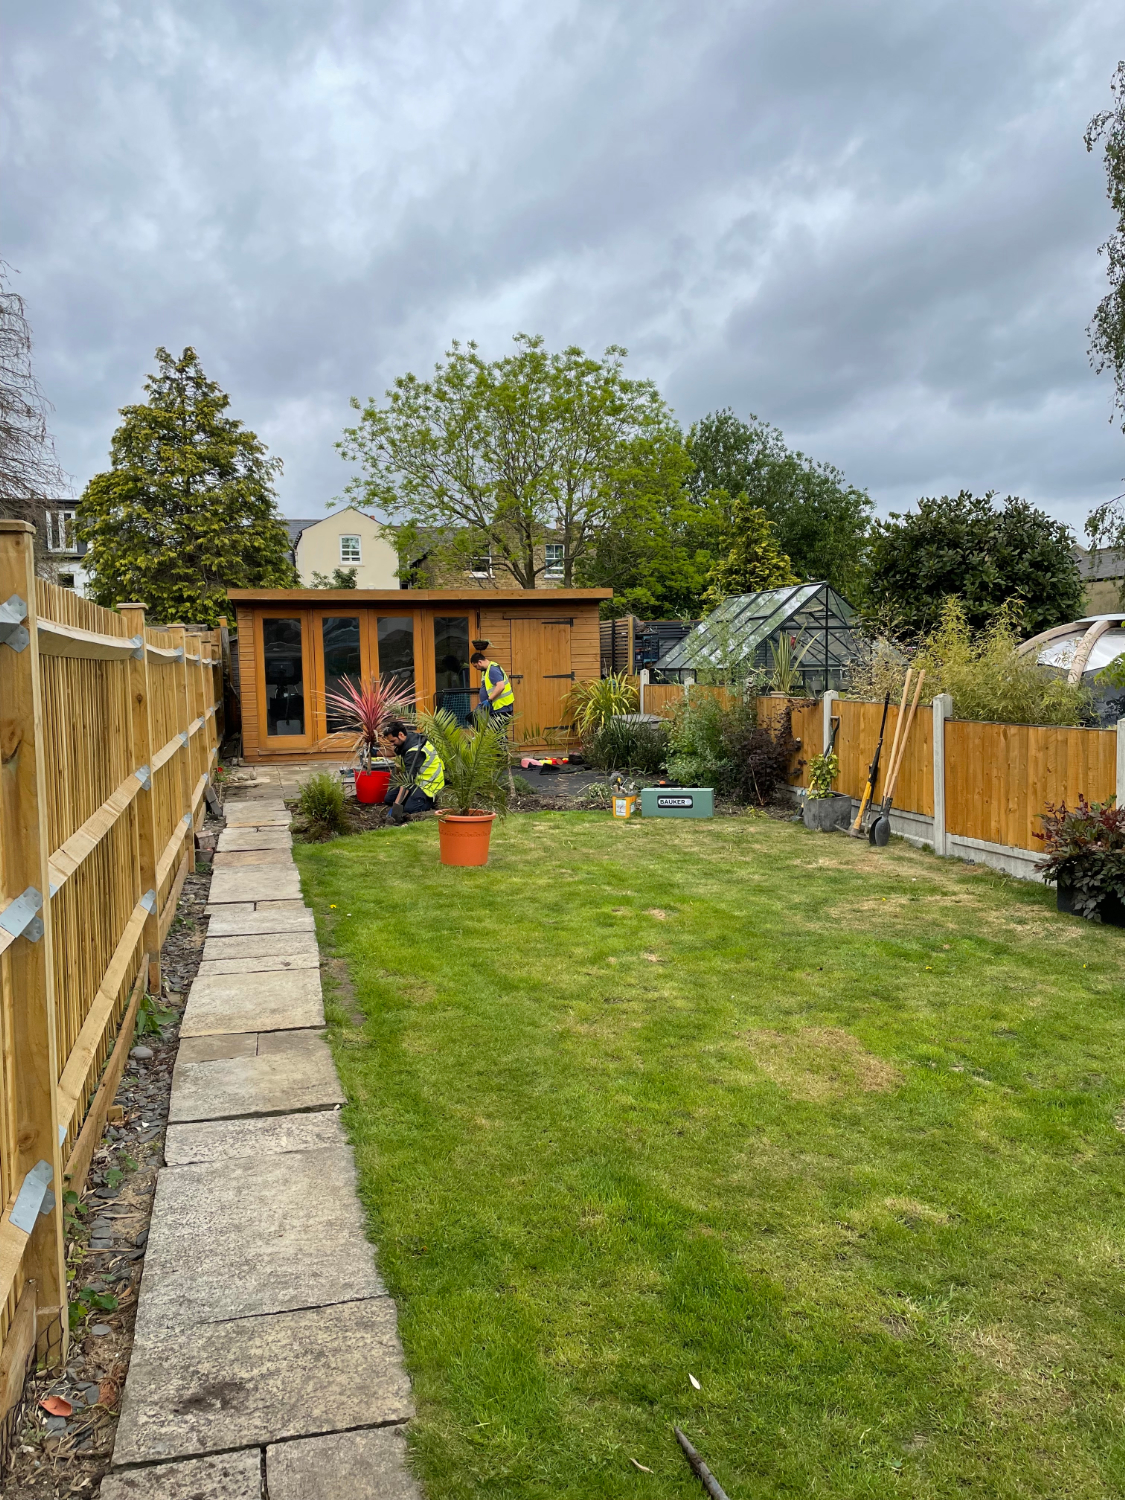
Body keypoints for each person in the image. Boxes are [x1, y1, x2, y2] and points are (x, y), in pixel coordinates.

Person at [382, 719, 445, 824]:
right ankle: (411, 798)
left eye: (393, 741)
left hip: (429, 784)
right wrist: (374, 753)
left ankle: (430, 801)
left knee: (410, 809)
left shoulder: (414, 752)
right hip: (416, 781)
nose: (392, 745)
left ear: (401, 735)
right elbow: (394, 752)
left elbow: (407, 782)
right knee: (388, 799)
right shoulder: (410, 738)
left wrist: (396, 809)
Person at [470, 650, 515, 728]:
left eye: (476, 666)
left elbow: (500, 686)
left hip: (501, 707)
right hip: (495, 708)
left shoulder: (493, 670)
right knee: (494, 732)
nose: (476, 668)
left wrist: (488, 700)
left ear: (480, 662)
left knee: (496, 732)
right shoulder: (485, 671)